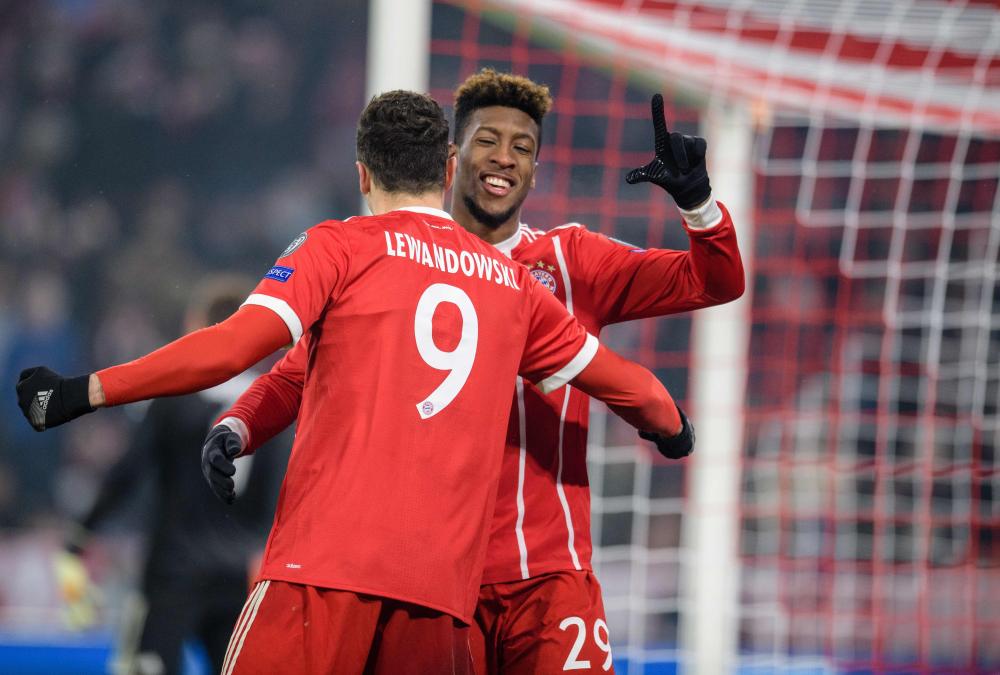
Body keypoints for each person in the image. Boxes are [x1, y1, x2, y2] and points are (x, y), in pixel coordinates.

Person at [16, 89, 690, 675]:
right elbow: (633, 386)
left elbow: (231, 348)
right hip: (439, 607)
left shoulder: (340, 246)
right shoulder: (513, 284)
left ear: (363, 175)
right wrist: (670, 425)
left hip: (321, 580)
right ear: (450, 167)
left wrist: (83, 391)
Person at [205, 70, 744, 673]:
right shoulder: (393, 260)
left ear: (536, 171)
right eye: (489, 141)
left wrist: (697, 204)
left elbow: (714, 282)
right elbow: (300, 371)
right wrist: (239, 423)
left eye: (523, 149)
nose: (505, 160)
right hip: (434, 583)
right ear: (451, 158)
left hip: (549, 575)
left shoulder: (574, 260)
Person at [52, 277, 291, 675]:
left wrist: (83, 531)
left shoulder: (175, 398)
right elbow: (278, 497)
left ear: (202, 332)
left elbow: (129, 472)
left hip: (173, 574)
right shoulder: (271, 406)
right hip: (237, 575)